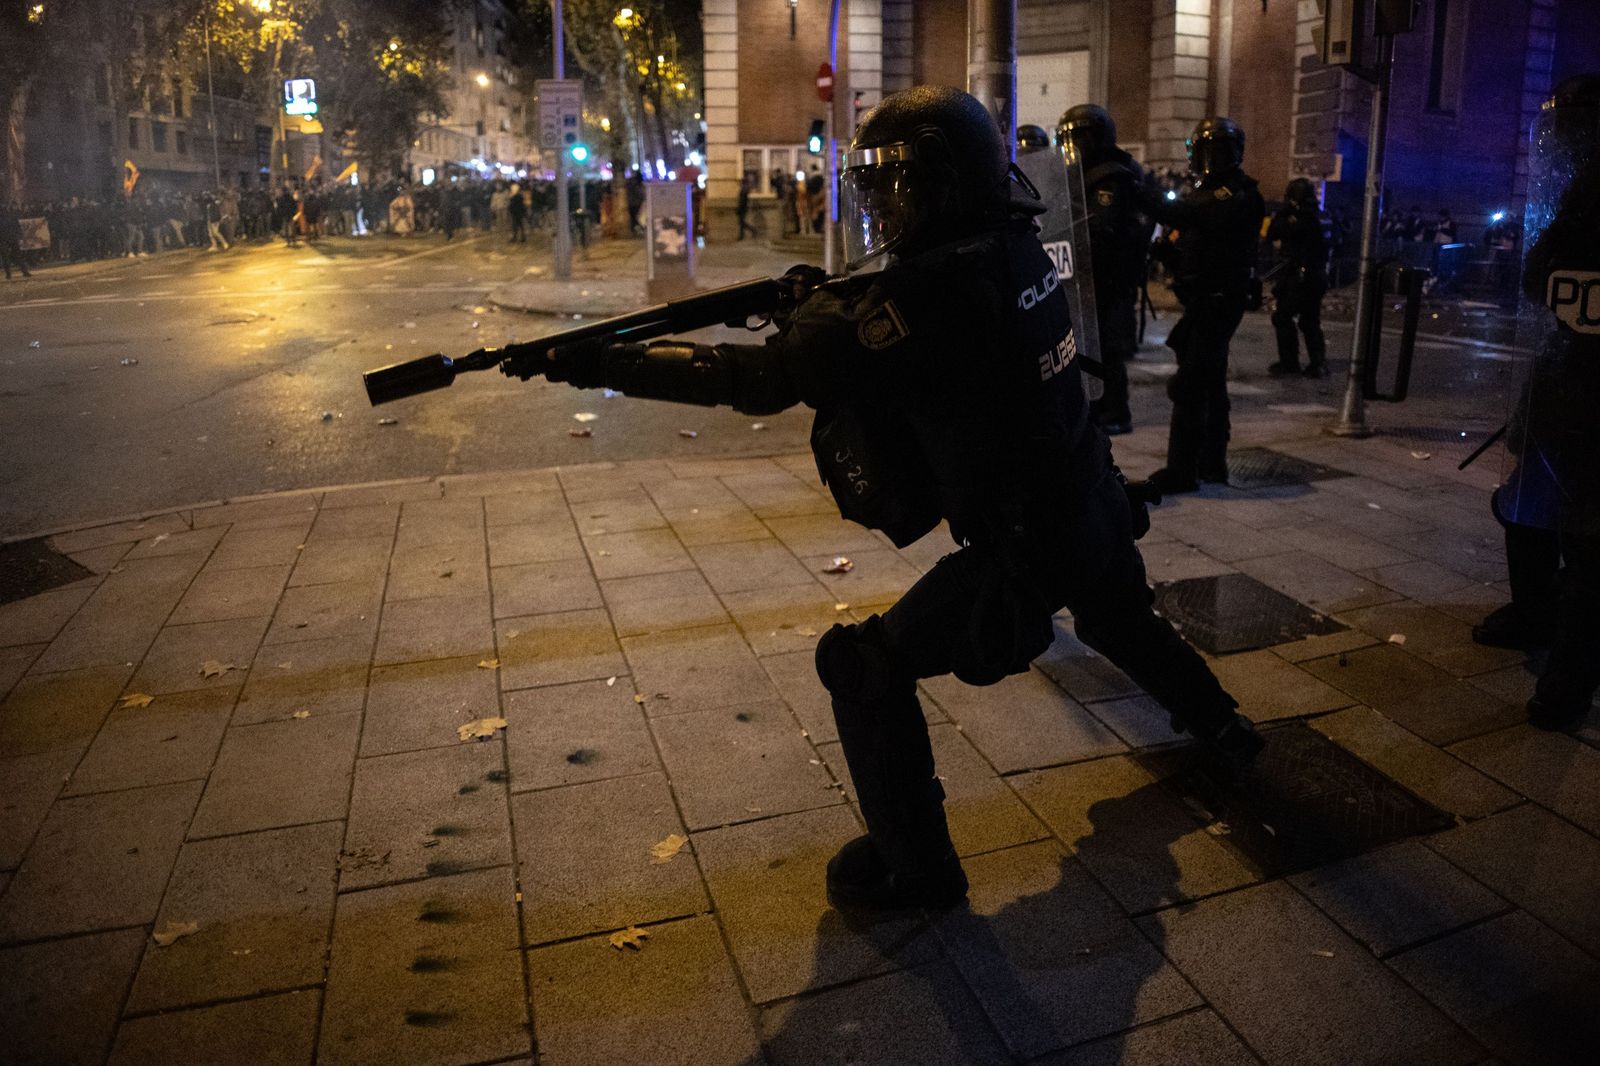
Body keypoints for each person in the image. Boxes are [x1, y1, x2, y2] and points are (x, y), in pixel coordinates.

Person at [526, 86, 1263, 910]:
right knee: (1120, 615)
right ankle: (1226, 726)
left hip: (1022, 546)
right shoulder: (1016, 244)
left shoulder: (930, 297)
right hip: (1090, 500)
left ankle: (919, 873)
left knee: (863, 666)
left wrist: (603, 364)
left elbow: (762, 379)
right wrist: (824, 301)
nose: (881, 204)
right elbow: (924, 314)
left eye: (896, 186)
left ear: (945, 184)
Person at [1480, 74, 1600, 731]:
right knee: (1528, 506)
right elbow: (1538, 278)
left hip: (1578, 387)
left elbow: (1538, 276)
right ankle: (1538, 620)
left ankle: (1568, 676)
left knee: (1586, 540)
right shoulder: (1577, 195)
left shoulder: (1584, 196)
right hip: (1562, 380)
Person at [1139, 117, 1265, 493]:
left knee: (1190, 386)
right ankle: (1212, 463)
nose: (1212, 158)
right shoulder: (1207, 193)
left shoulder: (1238, 194)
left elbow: (1197, 215)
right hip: (1202, 302)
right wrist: (1171, 257)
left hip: (1218, 302)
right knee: (1209, 384)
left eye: (1219, 150)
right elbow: (1202, 250)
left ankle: (1182, 470)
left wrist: (1141, 192)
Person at [1058, 103, 1152, 434]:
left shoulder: (1111, 175)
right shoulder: (1076, 175)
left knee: (1108, 348)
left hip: (1109, 278)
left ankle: (1115, 412)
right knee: (1084, 345)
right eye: (1067, 140)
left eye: (1080, 138)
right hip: (1084, 277)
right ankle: (1093, 406)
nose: (1073, 147)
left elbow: (1102, 228)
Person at [1265, 177, 1332, 378]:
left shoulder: (1301, 217)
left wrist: (1286, 212)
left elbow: (1274, 232)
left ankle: (1290, 362)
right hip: (1317, 275)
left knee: (1283, 316)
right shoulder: (1322, 215)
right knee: (1310, 320)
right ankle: (1317, 362)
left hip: (1300, 276)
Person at [1, 201, 31, 279]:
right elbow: (17, 226)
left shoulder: (10, 215)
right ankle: (24, 271)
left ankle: (9, 274)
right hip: (11, 237)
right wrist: (19, 235)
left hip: (5, 238)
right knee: (17, 255)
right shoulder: (11, 214)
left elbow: (17, 225)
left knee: (6, 256)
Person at [736, 171, 758, 240]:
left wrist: (739, 208)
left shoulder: (744, 189)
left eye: (740, 182)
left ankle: (752, 230)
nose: (739, 183)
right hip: (743, 208)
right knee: (741, 222)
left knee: (741, 222)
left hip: (742, 208)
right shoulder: (745, 189)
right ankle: (742, 235)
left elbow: (742, 200)